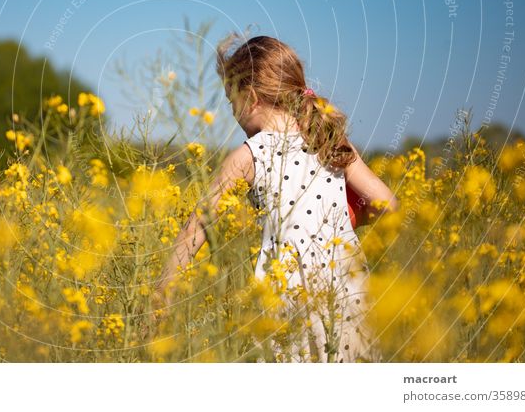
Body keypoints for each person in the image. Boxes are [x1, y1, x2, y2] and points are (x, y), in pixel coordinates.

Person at [150, 34, 398, 362]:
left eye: (231, 101)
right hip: (349, 288)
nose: (232, 114)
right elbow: (387, 205)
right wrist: (347, 220)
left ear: (250, 98)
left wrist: (160, 295)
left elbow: (195, 229)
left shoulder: (248, 156)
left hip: (289, 297)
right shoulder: (328, 138)